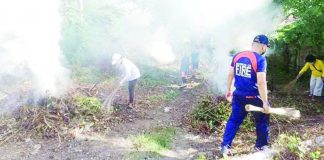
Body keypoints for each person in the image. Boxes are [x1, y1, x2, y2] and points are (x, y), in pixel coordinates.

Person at [221, 35, 271, 157]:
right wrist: (265, 102)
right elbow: (261, 82)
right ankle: (261, 146)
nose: (266, 49)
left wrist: (228, 91)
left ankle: (225, 146)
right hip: (254, 97)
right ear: (264, 47)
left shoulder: (237, 56)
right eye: (267, 47)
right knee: (262, 119)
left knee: (233, 120)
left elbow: (230, 75)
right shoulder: (260, 59)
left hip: (238, 95)